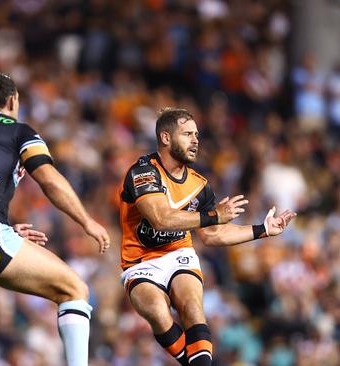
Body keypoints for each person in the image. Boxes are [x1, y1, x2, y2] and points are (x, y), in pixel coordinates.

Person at [0, 72, 110, 366]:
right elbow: (49, 179)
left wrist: (6, 230)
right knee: (74, 289)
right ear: (12, 100)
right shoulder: (18, 131)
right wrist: (86, 221)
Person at [118, 108, 296, 365]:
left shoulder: (200, 184)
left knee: (192, 308)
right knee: (157, 312)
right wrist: (213, 215)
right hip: (139, 261)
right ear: (166, 138)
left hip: (178, 254)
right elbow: (161, 218)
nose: (195, 140)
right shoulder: (143, 172)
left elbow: (211, 235)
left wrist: (262, 230)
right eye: (187, 134)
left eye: (197, 135)